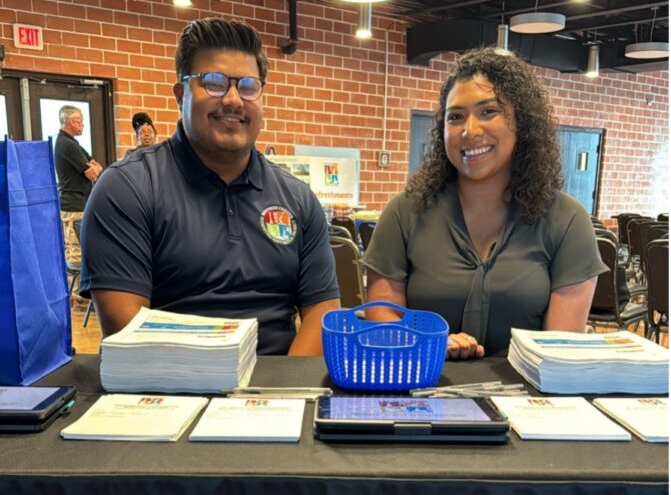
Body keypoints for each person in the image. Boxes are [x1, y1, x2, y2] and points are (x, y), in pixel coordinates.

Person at [80, 19, 340, 355]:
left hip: (277, 393)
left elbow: (322, 311)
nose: (233, 99)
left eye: (248, 86)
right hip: (169, 393)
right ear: (181, 94)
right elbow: (128, 334)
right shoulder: (126, 188)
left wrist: (275, 393)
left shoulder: (298, 198)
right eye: (214, 83)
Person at [363, 48, 607, 359]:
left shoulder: (567, 221)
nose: (470, 130)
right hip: (421, 388)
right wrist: (432, 345)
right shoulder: (403, 214)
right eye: (456, 117)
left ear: (522, 121)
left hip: (525, 398)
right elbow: (384, 326)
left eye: (488, 111)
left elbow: (560, 353)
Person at [53, 105, 102, 266]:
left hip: (79, 204)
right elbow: (93, 172)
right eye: (80, 121)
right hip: (73, 207)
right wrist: (95, 168)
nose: (83, 125)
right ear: (72, 122)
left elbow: (97, 165)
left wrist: (95, 167)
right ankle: (75, 292)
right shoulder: (66, 144)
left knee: (83, 251)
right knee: (75, 254)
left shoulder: (72, 143)